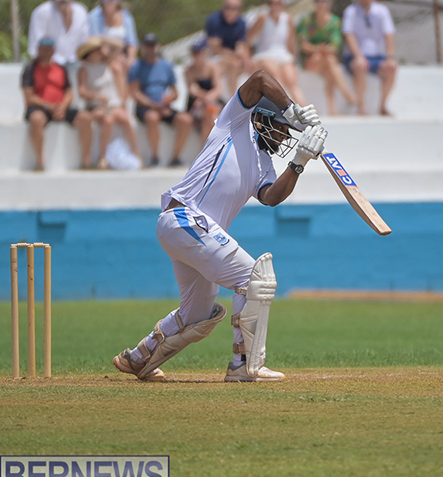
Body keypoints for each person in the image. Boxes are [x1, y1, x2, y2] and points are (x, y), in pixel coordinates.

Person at [113, 69, 327, 383]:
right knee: (254, 277)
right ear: (262, 119)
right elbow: (260, 79)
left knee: (197, 316)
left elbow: (271, 197)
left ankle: (137, 357)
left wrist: (300, 161)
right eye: (282, 128)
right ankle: (244, 364)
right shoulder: (234, 121)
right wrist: (292, 109)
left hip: (190, 230)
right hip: (185, 217)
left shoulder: (264, 164)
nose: (284, 137)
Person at [22, 37, 93, 171]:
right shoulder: (30, 68)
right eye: (43, 48)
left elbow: (69, 92)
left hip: (60, 107)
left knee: (86, 118)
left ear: (53, 50)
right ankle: (40, 161)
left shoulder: (60, 68)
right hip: (40, 107)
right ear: (38, 49)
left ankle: (86, 161)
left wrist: (62, 107)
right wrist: (47, 106)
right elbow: (29, 95)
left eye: (49, 49)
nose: (46, 51)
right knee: (36, 119)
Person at [128, 33, 193, 168]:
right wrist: (154, 105)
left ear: (158, 47)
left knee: (186, 120)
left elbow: (175, 92)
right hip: (145, 107)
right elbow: (135, 93)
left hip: (163, 106)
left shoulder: (166, 66)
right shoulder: (136, 67)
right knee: (152, 118)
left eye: (152, 46)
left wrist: (168, 100)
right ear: (142, 48)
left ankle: (175, 158)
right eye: (147, 46)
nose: (150, 49)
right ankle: (155, 157)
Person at [77, 36, 140, 169]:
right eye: (97, 49)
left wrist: (102, 39)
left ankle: (136, 154)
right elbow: (81, 90)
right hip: (96, 105)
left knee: (126, 120)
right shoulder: (84, 69)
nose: (101, 51)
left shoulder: (106, 63)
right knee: (108, 120)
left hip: (112, 104)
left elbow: (119, 45)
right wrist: (97, 96)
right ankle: (103, 157)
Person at [296, 0, 356, 115]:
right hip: (310, 60)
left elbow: (335, 47)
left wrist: (318, 50)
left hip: (324, 60)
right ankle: (346, 94)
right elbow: (303, 45)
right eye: (317, 1)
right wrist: (319, 49)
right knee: (329, 61)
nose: (320, 4)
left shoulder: (334, 21)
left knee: (328, 66)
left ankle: (332, 109)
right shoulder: (306, 20)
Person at [341, 0, 398, 116]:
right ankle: (361, 106)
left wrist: (390, 57)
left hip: (378, 56)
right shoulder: (351, 11)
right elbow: (349, 35)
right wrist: (358, 56)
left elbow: (389, 35)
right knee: (359, 65)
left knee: (391, 67)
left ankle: (383, 106)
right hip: (355, 56)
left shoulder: (382, 11)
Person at [247, 0, 307, 106]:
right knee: (276, 75)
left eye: (278, 3)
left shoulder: (288, 19)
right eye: (272, 3)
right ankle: (285, 107)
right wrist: (248, 59)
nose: (275, 6)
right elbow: (248, 39)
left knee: (291, 80)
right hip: (264, 54)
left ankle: (302, 108)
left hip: (283, 54)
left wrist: (294, 60)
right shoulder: (262, 18)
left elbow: (291, 42)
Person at [205, 0, 250, 100]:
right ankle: (233, 99)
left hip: (231, 57)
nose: (230, 11)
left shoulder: (241, 23)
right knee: (233, 64)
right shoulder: (214, 21)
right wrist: (234, 56)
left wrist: (240, 57)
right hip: (215, 57)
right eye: (227, 7)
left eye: (234, 8)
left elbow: (241, 47)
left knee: (248, 65)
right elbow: (215, 48)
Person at [184, 39, 224, 147]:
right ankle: (210, 148)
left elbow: (218, 88)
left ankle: (209, 148)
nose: (196, 56)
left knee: (211, 114)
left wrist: (209, 97)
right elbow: (193, 90)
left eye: (198, 53)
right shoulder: (188, 70)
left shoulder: (213, 67)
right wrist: (206, 98)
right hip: (197, 103)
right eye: (194, 53)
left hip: (211, 100)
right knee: (209, 114)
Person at [28, 0, 90, 68]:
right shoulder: (41, 13)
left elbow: (85, 43)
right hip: (49, 67)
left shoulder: (81, 12)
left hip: (77, 66)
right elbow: (35, 48)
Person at [87, 0, 139, 69]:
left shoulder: (127, 16)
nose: (110, 1)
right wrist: (115, 49)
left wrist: (130, 59)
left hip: (122, 54)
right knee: (117, 68)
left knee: (126, 66)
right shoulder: (94, 15)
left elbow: (132, 42)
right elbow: (95, 40)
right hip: (101, 53)